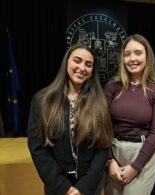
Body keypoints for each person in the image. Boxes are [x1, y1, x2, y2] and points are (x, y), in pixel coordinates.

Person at [27, 44, 114, 195]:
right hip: (58, 187)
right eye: (77, 60)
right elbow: (37, 148)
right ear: (66, 62)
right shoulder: (42, 100)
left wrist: (84, 187)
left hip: (90, 187)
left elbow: (104, 147)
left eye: (88, 64)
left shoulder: (100, 102)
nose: (82, 68)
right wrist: (63, 187)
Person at [104, 34, 155, 195]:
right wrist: (109, 160)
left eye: (138, 53)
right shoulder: (112, 87)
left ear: (148, 56)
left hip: (144, 155)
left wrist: (135, 167)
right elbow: (103, 126)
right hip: (114, 152)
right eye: (127, 54)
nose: (132, 58)